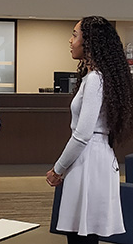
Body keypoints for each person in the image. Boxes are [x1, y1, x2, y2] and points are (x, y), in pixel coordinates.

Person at [46, 16, 133, 244]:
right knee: (86, 234)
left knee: (80, 236)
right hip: (98, 158)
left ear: (90, 41)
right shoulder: (102, 77)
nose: (70, 40)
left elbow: (82, 134)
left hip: (88, 162)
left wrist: (57, 169)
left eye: (75, 35)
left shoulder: (95, 79)